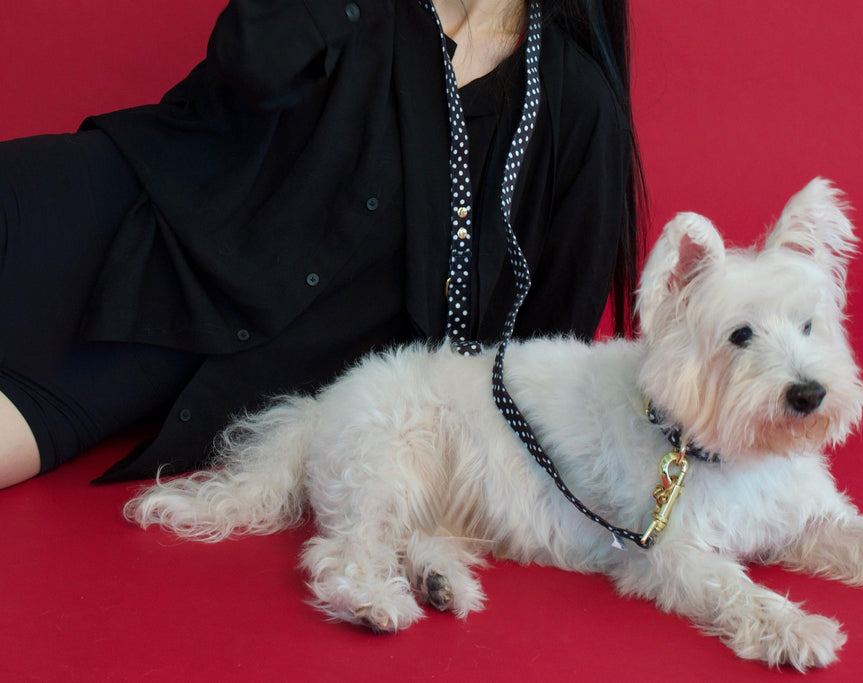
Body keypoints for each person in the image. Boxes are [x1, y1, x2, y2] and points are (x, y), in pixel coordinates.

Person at [0, 0, 645, 489]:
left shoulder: (575, 111)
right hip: (84, 207)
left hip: (157, 352)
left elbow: (544, 362)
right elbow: (251, 56)